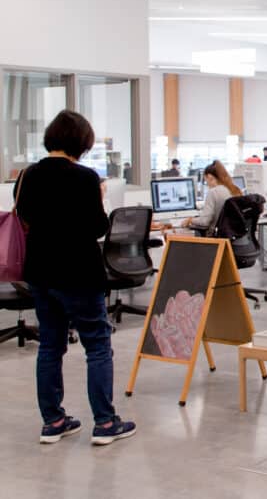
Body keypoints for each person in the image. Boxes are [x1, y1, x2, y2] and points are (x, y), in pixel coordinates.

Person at [16, 110, 136, 445]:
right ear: (81, 143)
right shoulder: (85, 178)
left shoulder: (28, 175)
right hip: (79, 274)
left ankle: (53, 421)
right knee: (97, 345)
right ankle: (105, 423)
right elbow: (98, 228)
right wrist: (97, 198)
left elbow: (24, 217)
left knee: (51, 346)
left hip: (40, 272)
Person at [183, 160, 242, 232]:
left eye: (205, 180)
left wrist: (190, 220)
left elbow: (204, 222)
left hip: (217, 239)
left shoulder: (213, 192)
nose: (206, 184)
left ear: (210, 177)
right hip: (234, 236)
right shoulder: (234, 189)